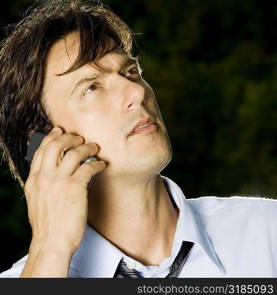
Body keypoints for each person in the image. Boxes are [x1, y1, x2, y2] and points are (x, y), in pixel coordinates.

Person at [0, 0, 276, 278]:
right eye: (92, 87)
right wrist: (50, 250)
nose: (136, 92)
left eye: (130, 72)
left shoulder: (267, 233)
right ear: (41, 146)